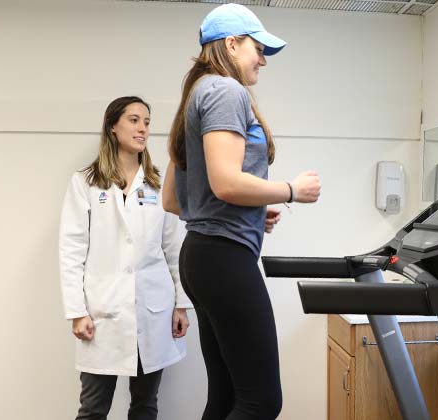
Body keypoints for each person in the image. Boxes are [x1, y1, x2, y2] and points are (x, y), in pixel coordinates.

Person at [163, 4, 321, 419]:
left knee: (228, 396)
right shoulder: (225, 92)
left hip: (201, 256)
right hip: (223, 260)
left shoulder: (194, 96)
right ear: (232, 44)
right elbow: (226, 183)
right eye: (258, 48)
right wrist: (291, 191)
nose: (263, 60)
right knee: (261, 401)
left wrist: (252, 211)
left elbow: (175, 200)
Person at [59, 96, 193, 420]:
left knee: (145, 407)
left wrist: (181, 303)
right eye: (134, 120)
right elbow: (71, 249)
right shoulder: (85, 183)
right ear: (112, 126)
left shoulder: (160, 185)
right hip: (102, 313)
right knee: (93, 409)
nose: (142, 128)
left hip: (153, 310)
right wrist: (77, 311)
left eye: (147, 122)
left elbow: (174, 248)